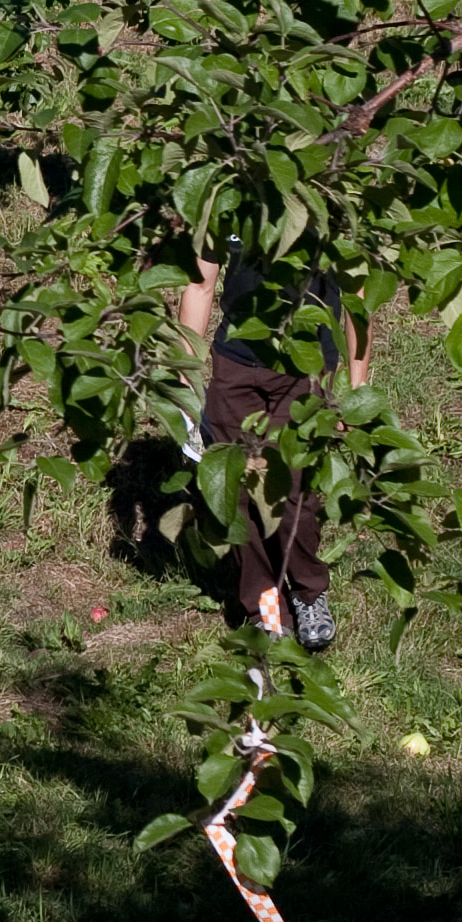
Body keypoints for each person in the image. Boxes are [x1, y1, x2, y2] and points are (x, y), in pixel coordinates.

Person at [178, 246, 363, 649]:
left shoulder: (326, 196)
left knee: (295, 488)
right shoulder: (227, 193)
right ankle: (264, 604)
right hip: (237, 363)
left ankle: (308, 592)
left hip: (307, 364)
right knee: (238, 491)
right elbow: (200, 283)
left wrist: (356, 383)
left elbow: (356, 291)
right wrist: (184, 375)